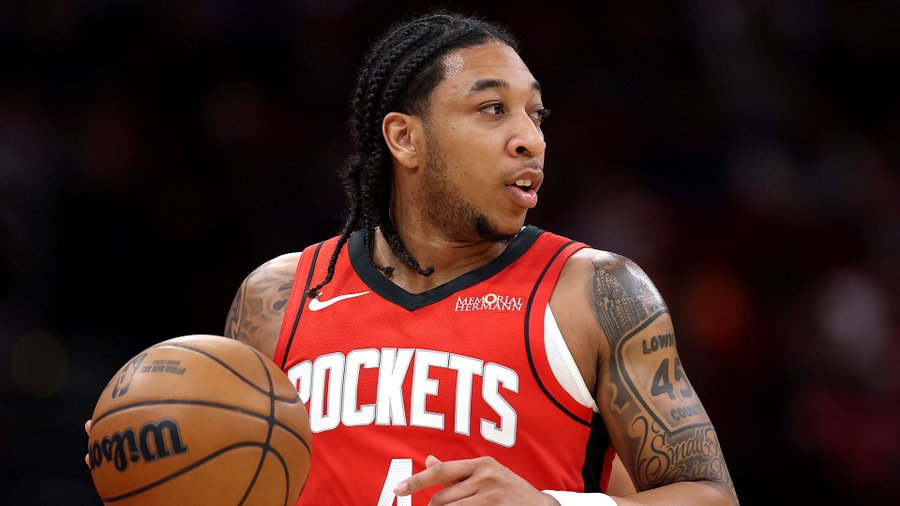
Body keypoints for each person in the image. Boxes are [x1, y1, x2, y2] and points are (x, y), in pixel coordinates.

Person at [89, 11, 737, 505]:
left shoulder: (593, 292)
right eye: (493, 109)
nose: (530, 138)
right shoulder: (277, 298)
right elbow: (230, 475)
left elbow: (711, 496)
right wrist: (153, 446)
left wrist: (552, 505)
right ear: (404, 137)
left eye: (536, 114)